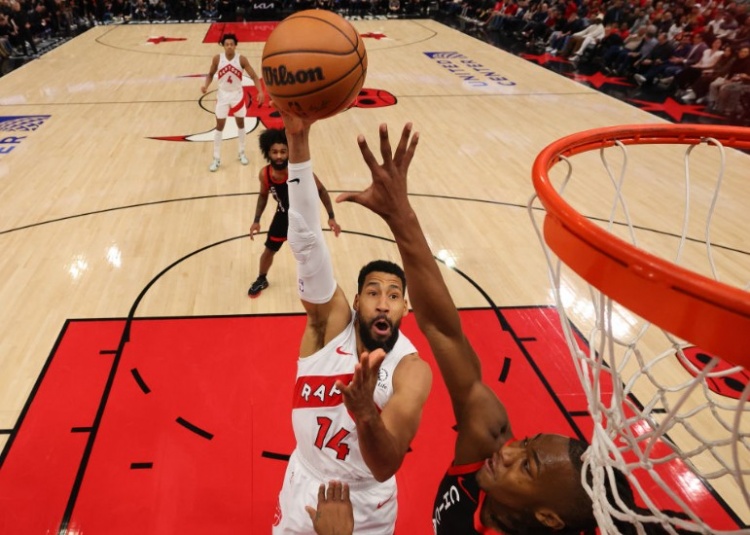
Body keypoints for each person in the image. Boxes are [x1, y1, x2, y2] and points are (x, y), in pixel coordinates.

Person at [338, 123, 688, 535]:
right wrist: (401, 217)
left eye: (527, 466)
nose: (507, 451)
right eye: (525, 443)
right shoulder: (486, 450)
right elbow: (443, 332)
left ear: (548, 517)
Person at [272, 113, 433, 534]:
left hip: (365, 501)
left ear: (405, 309)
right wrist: (298, 144)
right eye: (374, 292)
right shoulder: (328, 327)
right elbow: (307, 243)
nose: (383, 303)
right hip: (304, 481)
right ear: (357, 301)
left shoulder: (411, 370)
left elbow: (385, 465)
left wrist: (365, 413)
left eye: (394, 296)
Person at [247, 127, 341, 297]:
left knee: (315, 251)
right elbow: (263, 196)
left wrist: (331, 217)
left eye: (283, 151)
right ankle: (261, 279)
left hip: (304, 218)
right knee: (269, 250)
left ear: (289, 152)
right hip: (283, 216)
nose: (279, 156)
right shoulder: (265, 174)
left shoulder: (298, 171)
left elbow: (321, 190)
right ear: (268, 153)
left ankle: (321, 281)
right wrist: (256, 220)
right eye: (275, 152)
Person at [200, 33, 266, 173]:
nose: (229, 46)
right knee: (219, 126)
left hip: (237, 96)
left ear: (235, 45)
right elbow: (210, 74)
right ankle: (216, 158)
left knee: (240, 124)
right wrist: (206, 86)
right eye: (227, 44)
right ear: (223, 46)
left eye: (231, 44)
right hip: (222, 96)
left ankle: (241, 153)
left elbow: (254, 76)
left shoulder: (241, 59)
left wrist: (260, 92)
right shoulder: (217, 59)